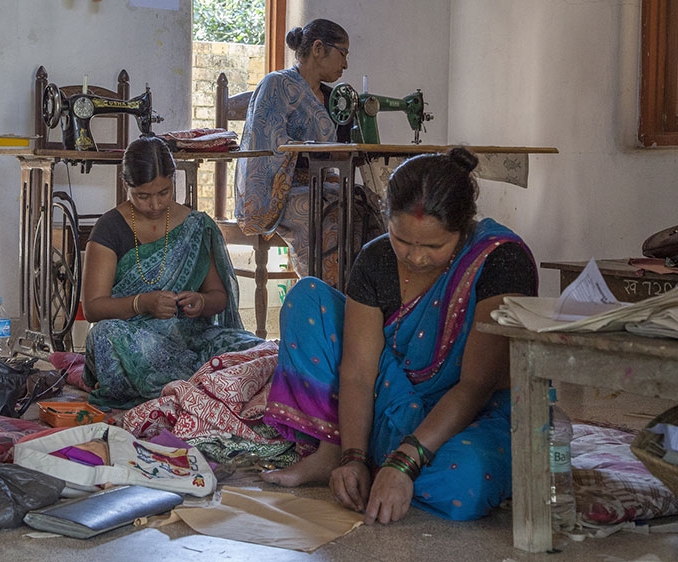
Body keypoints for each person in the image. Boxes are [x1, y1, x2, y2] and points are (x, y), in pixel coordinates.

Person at [259, 146, 538, 524]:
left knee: (465, 481)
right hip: (394, 399)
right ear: (387, 220)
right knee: (308, 298)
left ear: (463, 228)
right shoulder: (376, 260)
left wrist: (405, 462)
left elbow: (476, 385)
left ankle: (391, 467)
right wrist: (353, 456)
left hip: (475, 413)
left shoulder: (499, 261)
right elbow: (358, 372)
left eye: (434, 246)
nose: (416, 257)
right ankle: (335, 453)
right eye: (402, 240)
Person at [80, 137, 264, 410]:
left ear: (173, 181)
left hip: (190, 337)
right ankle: (206, 385)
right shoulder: (110, 227)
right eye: (142, 196)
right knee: (105, 335)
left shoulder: (196, 225)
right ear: (126, 186)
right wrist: (142, 303)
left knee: (255, 350)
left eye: (164, 193)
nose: (155, 205)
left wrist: (201, 303)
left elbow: (218, 297)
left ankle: (188, 385)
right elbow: (93, 308)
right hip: (134, 337)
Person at [235, 18, 384, 288]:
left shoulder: (334, 98)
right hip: (282, 191)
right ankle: (324, 300)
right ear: (318, 48)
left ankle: (363, 301)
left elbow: (341, 149)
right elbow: (267, 145)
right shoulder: (276, 85)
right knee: (331, 220)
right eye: (343, 54)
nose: (346, 65)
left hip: (325, 186)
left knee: (372, 208)